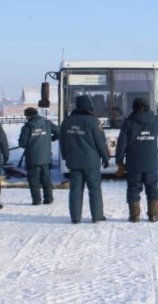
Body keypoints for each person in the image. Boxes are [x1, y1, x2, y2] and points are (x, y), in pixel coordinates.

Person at [59, 95, 110, 224]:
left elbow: (63, 141)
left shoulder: (67, 121)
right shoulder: (92, 121)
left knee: (75, 190)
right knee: (94, 189)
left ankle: (75, 218)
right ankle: (97, 216)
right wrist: (105, 157)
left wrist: (65, 156)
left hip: (74, 162)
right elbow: (100, 142)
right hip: (91, 162)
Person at [115, 98, 158, 222]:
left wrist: (119, 161)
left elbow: (122, 144)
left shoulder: (128, 123)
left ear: (134, 108)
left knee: (133, 189)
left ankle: (134, 216)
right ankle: (153, 215)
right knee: (152, 189)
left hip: (134, 164)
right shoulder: (156, 120)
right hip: (151, 163)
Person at [18, 107, 60, 205]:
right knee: (46, 179)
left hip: (32, 158)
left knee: (33, 180)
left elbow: (22, 143)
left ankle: (36, 200)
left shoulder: (27, 127)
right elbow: (59, 132)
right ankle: (48, 199)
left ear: (28, 116)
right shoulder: (47, 123)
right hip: (45, 158)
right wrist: (52, 138)